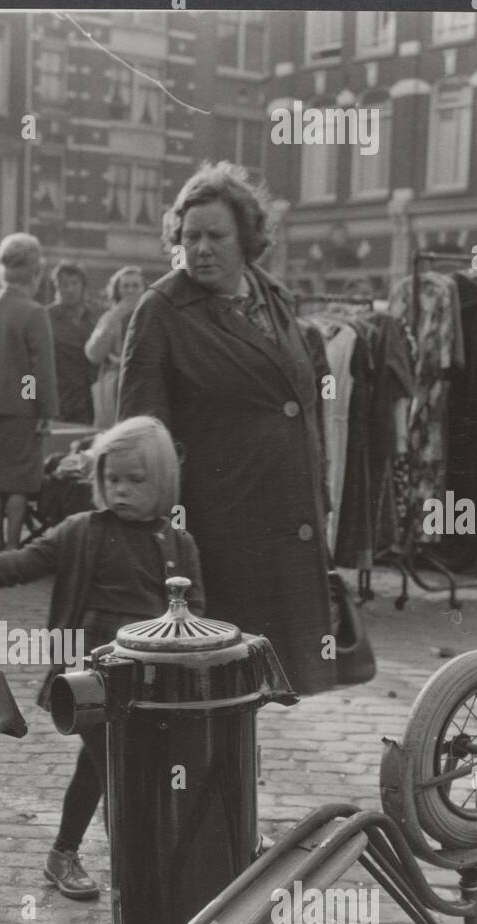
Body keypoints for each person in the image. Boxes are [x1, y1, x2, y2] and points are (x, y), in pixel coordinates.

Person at [0, 416, 203, 900]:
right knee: (121, 772)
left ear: (163, 481)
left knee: (98, 767)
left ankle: (63, 854)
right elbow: (20, 564)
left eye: (135, 480)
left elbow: (197, 614)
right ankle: (140, 879)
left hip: (148, 682)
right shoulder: (82, 530)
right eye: (112, 478)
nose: (120, 490)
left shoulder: (178, 544)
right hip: (89, 679)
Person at [119, 161, 335, 696]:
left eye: (216, 236)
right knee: (221, 684)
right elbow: (140, 440)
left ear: (247, 238)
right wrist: (156, 540)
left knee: (272, 682)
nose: (201, 249)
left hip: (290, 525)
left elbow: (305, 409)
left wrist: (321, 497)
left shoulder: (276, 299)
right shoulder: (162, 310)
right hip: (218, 533)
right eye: (190, 237)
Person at [0, 233, 58, 551]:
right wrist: (39, 407)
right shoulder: (34, 312)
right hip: (22, 411)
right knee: (19, 483)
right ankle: (11, 549)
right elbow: (38, 370)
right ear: (35, 271)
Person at [85, 265, 144, 429]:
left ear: (143, 289)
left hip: (144, 384)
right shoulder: (110, 317)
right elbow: (94, 354)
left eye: (135, 286)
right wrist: (115, 316)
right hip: (114, 386)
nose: (130, 290)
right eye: (125, 286)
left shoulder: (152, 314)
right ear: (117, 290)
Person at [47, 260, 97, 425]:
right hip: (55, 407)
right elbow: (28, 369)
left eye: (74, 283)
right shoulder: (44, 317)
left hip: (88, 406)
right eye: (64, 284)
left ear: (83, 286)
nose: (69, 289)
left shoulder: (94, 317)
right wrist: (29, 404)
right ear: (56, 287)